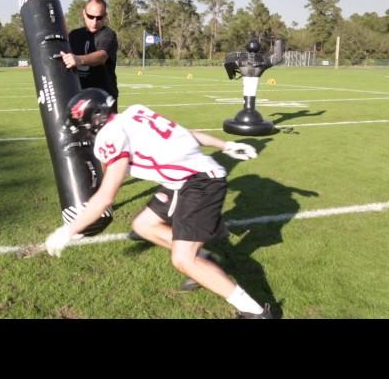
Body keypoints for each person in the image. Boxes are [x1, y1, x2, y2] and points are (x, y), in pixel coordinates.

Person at [44, 88, 274, 319]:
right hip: (185, 180)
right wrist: (225, 146)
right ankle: (205, 259)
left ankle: (254, 312)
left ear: (93, 120)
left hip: (200, 183)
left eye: (81, 125)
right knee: (144, 225)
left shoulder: (110, 136)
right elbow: (186, 134)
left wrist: (68, 230)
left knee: (183, 260)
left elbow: (106, 196)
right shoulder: (135, 112)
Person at [60, 0, 119, 112]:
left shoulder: (108, 35)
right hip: (79, 98)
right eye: (90, 16)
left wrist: (78, 59)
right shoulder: (74, 35)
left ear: (105, 16)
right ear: (83, 13)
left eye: (99, 18)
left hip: (103, 99)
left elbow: (102, 56)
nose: (94, 22)